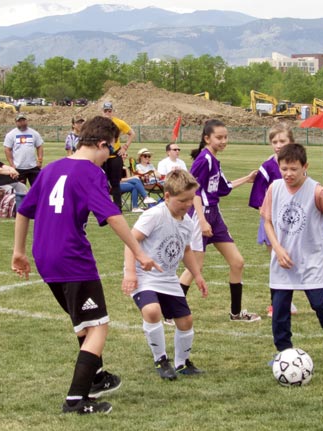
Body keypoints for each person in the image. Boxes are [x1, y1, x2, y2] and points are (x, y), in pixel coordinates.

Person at [11, 115, 159, 415]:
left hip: (45, 257)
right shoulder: (91, 172)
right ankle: (76, 400)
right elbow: (114, 216)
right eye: (111, 151)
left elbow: (24, 210)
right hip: (72, 257)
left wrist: (18, 252)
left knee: (83, 323)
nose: (111, 158)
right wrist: (139, 252)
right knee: (99, 327)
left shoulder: (51, 167)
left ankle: (97, 377)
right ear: (102, 144)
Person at [261, 143, 323, 366]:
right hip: (283, 261)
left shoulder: (316, 191)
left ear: (305, 167)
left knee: (320, 304)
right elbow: (267, 220)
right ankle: (284, 351)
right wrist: (277, 248)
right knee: (280, 308)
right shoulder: (274, 188)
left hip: (310, 259)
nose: (288, 174)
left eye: (293, 168)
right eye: (284, 168)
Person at [122, 169, 209, 380]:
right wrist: (130, 273)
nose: (188, 204)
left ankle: (182, 363)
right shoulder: (154, 215)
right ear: (167, 196)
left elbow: (186, 250)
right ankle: (160, 359)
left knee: (186, 321)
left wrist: (197, 275)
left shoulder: (187, 223)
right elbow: (131, 241)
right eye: (182, 200)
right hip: (146, 277)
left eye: (191, 200)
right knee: (152, 311)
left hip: (169, 279)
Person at [178, 119, 260, 322]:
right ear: (207, 138)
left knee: (237, 262)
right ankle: (173, 313)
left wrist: (247, 179)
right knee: (195, 267)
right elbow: (193, 190)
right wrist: (203, 221)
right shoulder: (203, 159)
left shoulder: (214, 160)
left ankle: (236, 313)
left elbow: (224, 187)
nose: (224, 141)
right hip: (200, 215)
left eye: (226, 137)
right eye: (219, 137)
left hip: (215, 214)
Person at [248, 123, 298, 318]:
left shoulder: (297, 165)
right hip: (272, 223)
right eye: (274, 141)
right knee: (276, 262)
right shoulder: (268, 167)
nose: (278, 145)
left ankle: (288, 301)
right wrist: (268, 217)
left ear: (291, 142)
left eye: (282, 141)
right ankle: (275, 304)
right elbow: (258, 198)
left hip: (292, 222)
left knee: (291, 261)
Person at [102, 102, 135, 208]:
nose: (108, 113)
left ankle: (117, 207)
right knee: (101, 183)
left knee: (115, 183)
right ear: (102, 112)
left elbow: (131, 133)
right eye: (106, 111)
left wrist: (125, 147)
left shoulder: (118, 123)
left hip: (115, 156)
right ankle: (103, 205)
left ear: (112, 111)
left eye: (109, 111)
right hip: (102, 157)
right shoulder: (99, 123)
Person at [3, 113, 44, 187]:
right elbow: (7, 150)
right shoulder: (11, 135)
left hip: (33, 167)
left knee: (38, 189)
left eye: (24, 121)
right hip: (18, 168)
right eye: (20, 121)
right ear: (16, 122)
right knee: (20, 191)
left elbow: (39, 146)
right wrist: (12, 164)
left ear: (27, 121)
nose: (22, 123)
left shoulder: (34, 133)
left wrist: (40, 160)